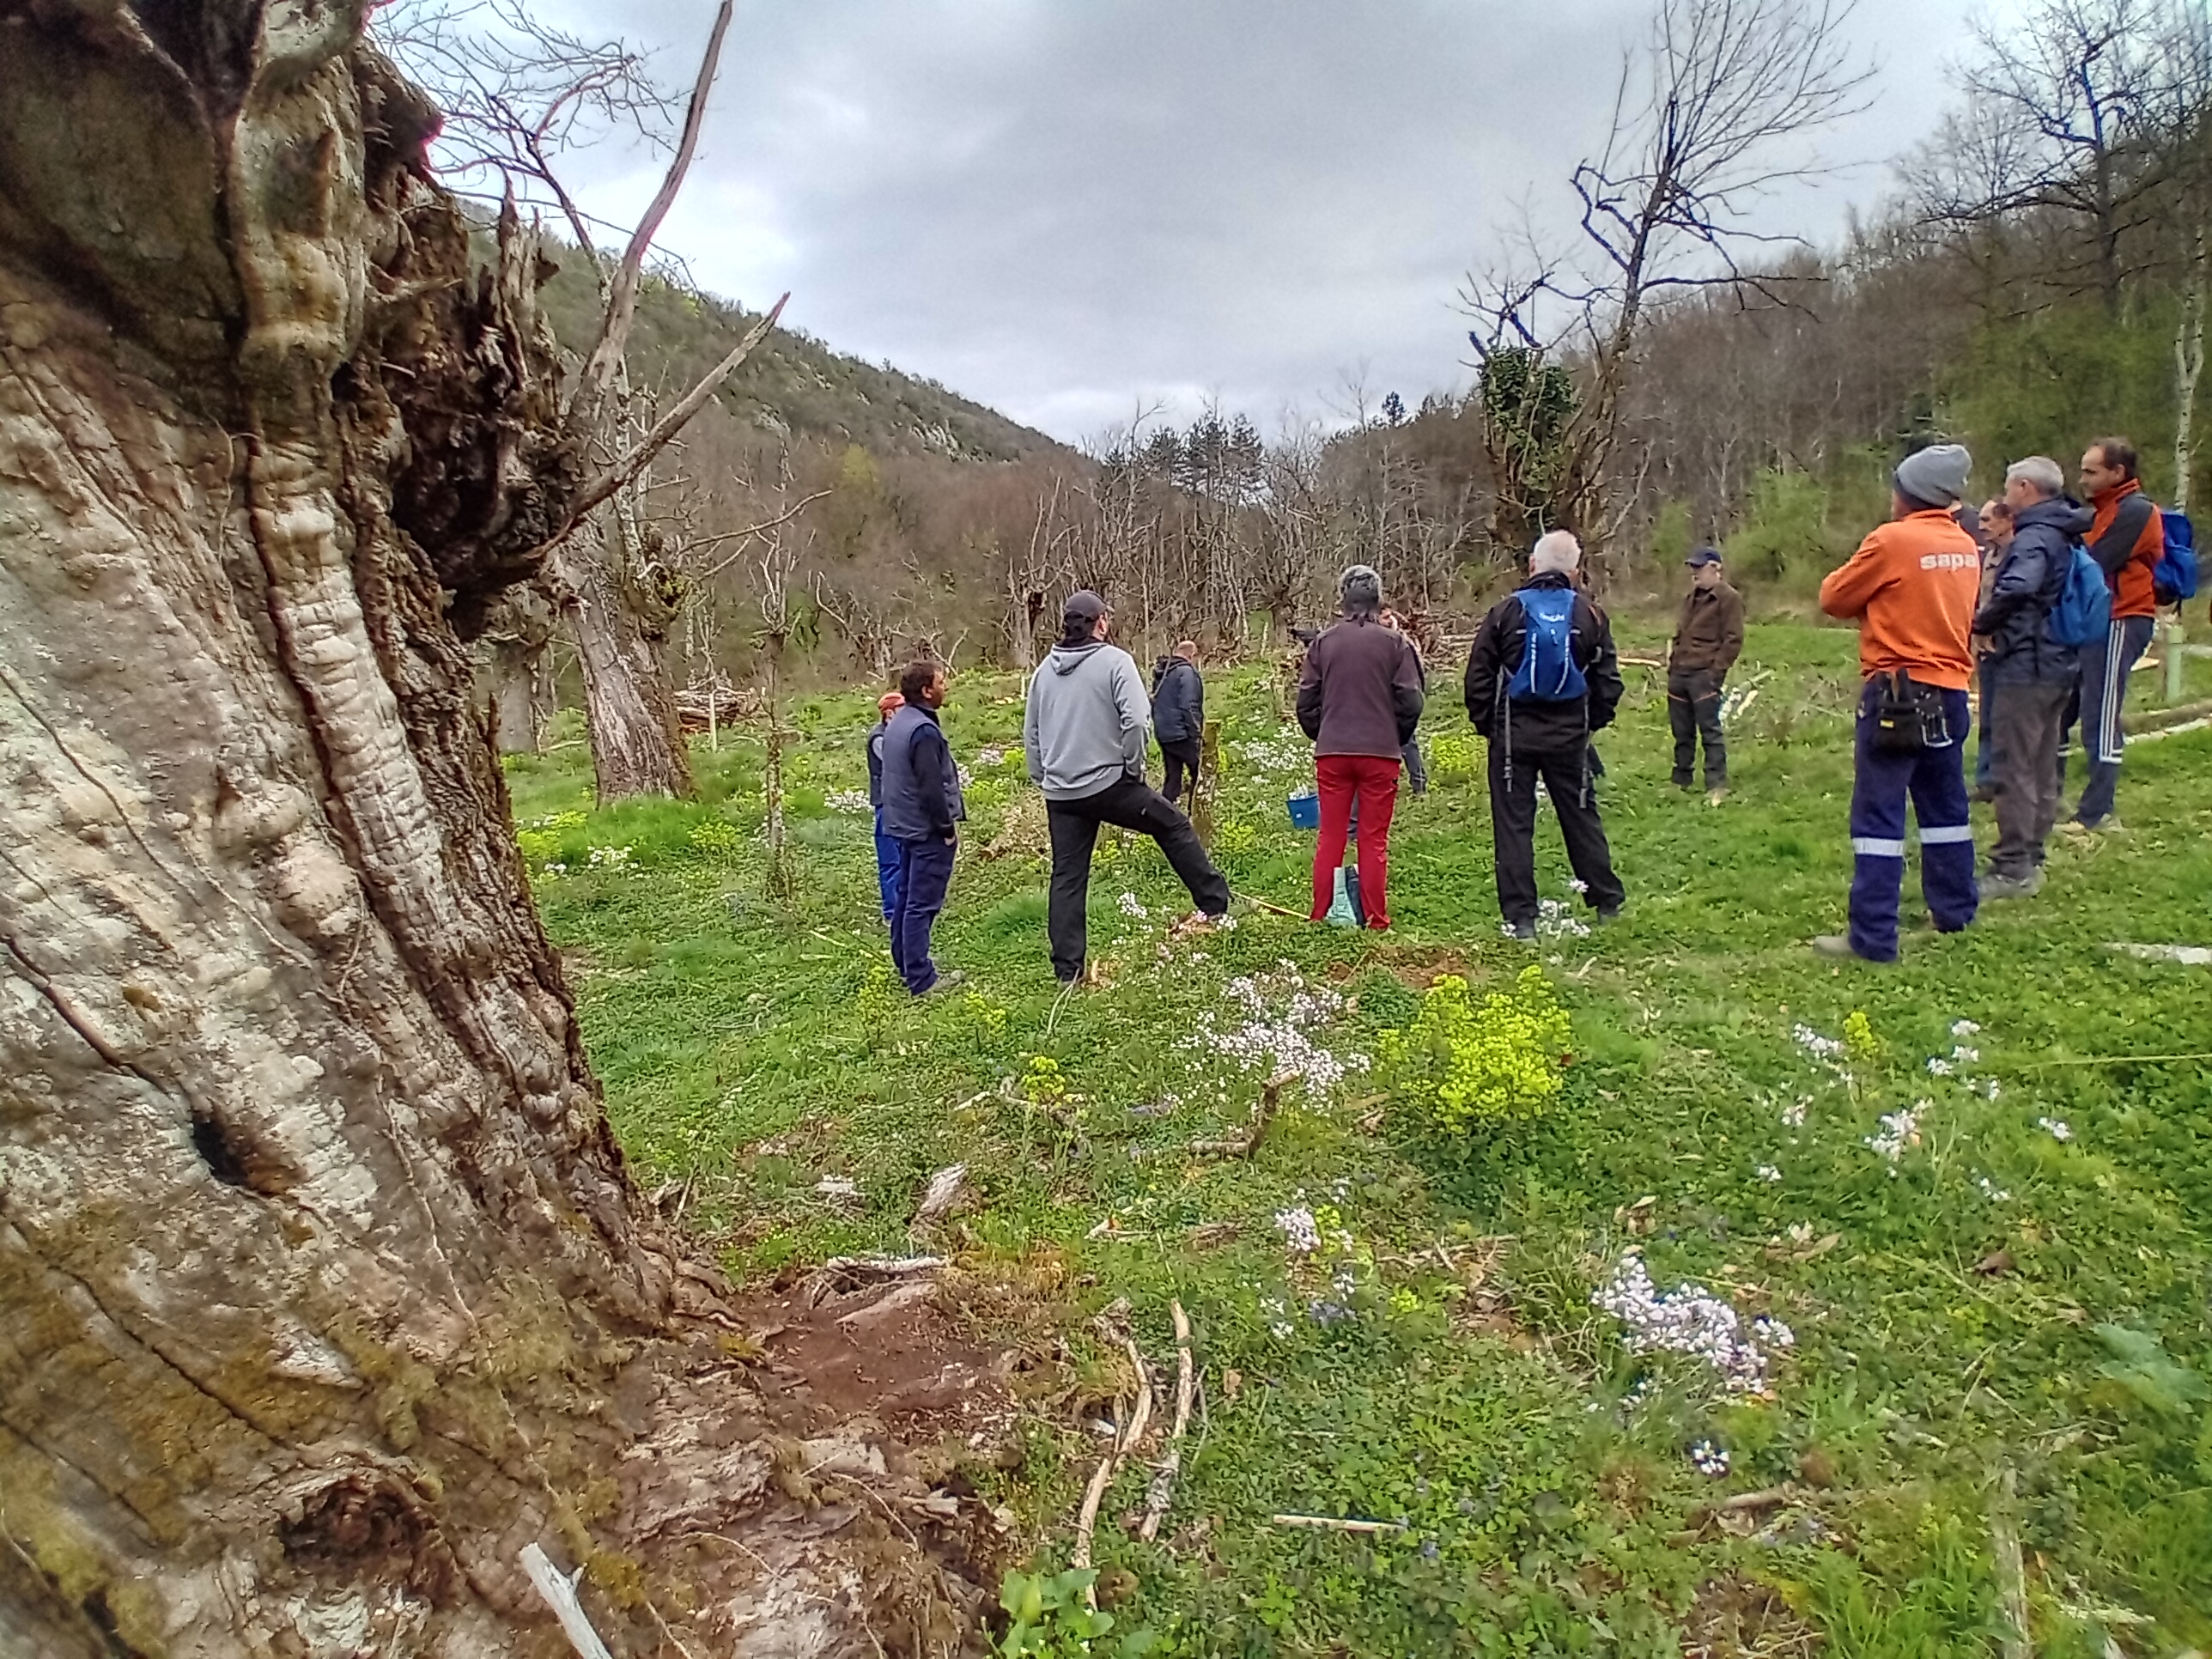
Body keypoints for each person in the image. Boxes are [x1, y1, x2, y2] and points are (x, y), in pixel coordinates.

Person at [1813, 443, 1980, 963]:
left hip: (1896, 693)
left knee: (1879, 818)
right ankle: (1954, 912)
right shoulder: (1965, 544)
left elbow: (1834, 597)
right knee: (1946, 807)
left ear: (1910, 493)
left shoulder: (1892, 541)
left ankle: (1873, 936)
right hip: (1951, 690)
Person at [1025, 592, 1230, 984]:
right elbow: (1136, 721)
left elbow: (1031, 734)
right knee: (1172, 825)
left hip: (1061, 794)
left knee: (1068, 876)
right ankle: (1216, 904)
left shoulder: (1042, 673)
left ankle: (1067, 971)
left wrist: (1043, 779)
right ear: (1101, 623)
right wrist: (1132, 769)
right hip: (1109, 784)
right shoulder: (1116, 662)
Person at [1463, 532, 1626, 939]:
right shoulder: (1591, 615)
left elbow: (1478, 680)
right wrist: (1590, 726)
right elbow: (1608, 683)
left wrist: (1492, 728)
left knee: (1514, 826)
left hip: (1512, 741)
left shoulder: (1505, 613)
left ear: (1533, 566)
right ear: (1574, 571)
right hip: (1570, 738)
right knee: (1581, 818)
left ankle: (1522, 918)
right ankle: (1606, 901)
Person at [1975, 458, 2087, 897]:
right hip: (2059, 661)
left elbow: (2020, 587)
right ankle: (2033, 851)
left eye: (2008, 487)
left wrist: (1983, 624)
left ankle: (2013, 866)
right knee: (2042, 761)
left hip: (2027, 663)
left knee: (2015, 763)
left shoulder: (2035, 537)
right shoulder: (2065, 529)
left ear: (2024, 487)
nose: (2004, 496)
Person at [1297, 566, 1425, 929]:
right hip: (1380, 752)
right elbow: (1412, 701)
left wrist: (1323, 733)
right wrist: (1395, 735)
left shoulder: (1323, 642)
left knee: (1331, 836)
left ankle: (1320, 914)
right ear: (1377, 600)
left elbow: (1306, 701)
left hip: (1334, 750)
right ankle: (1376, 918)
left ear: (1342, 599)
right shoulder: (1396, 644)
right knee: (1373, 838)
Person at [2069, 436, 2166, 830]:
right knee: (2082, 708)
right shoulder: (2102, 509)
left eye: (2091, 471)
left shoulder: (2135, 511)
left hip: (2122, 616)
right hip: (2100, 617)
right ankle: (2080, 803)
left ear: (2118, 472)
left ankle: (2099, 811)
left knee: (2102, 713)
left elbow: (2096, 560)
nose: (2083, 480)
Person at [878, 659, 963, 996]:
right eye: (941, 682)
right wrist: (945, 828)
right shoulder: (923, 730)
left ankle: (907, 960)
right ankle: (921, 977)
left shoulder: (900, 722)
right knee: (921, 903)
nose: (946, 687)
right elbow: (931, 787)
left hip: (902, 824)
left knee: (905, 898)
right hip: (924, 828)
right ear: (927, 690)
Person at [1666, 546, 1744, 802]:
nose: (1694, 574)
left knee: (1710, 731)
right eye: (1692, 569)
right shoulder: (1690, 598)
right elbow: (1680, 632)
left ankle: (1716, 783)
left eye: (1699, 568)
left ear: (1715, 569)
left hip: (1703, 675)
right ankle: (1681, 780)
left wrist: (1715, 673)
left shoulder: (1729, 598)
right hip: (1680, 673)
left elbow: (1733, 640)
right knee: (1681, 732)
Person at [1970, 499, 2015, 799]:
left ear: (2007, 520)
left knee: (2009, 716)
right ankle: (1986, 779)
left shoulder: (2021, 555)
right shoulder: (1986, 556)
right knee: (1987, 714)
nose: (1982, 526)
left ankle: (2008, 779)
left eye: (1988, 520)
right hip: (1985, 645)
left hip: (2011, 646)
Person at [865, 689, 905, 924]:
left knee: (905, 857)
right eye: (901, 709)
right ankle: (891, 913)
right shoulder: (879, 738)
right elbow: (895, 763)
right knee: (890, 861)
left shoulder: (896, 734)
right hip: (886, 805)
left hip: (901, 804)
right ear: (889, 713)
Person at [1152, 640, 1205, 809]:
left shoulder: (1162, 672)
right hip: (1182, 733)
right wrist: (1196, 733)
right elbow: (1189, 705)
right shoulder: (1186, 673)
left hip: (1164, 733)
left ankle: (1165, 815)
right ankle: (1195, 812)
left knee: (1173, 777)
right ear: (1192, 655)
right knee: (1199, 773)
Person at [1382, 610, 1430, 795]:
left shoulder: (1401, 642)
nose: (1389, 621)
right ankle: (1390, 784)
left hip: (1400, 700)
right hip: (1385, 700)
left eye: (1390, 617)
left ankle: (1419, 784)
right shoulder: (1381, 643)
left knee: (1408, 742)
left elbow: (1417, 669)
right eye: (1384, 617)